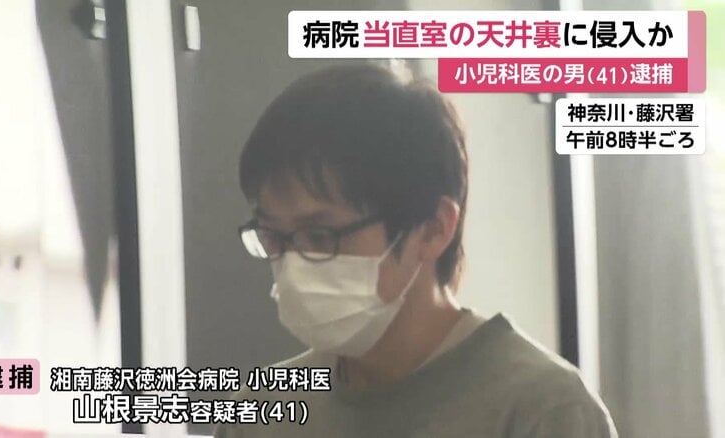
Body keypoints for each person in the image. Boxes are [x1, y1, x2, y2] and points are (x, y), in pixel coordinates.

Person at [215, 62, 617, 437]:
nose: (293, 266)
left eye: (320, 236)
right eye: (274, 237)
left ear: (433, 229)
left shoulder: (543, 411)